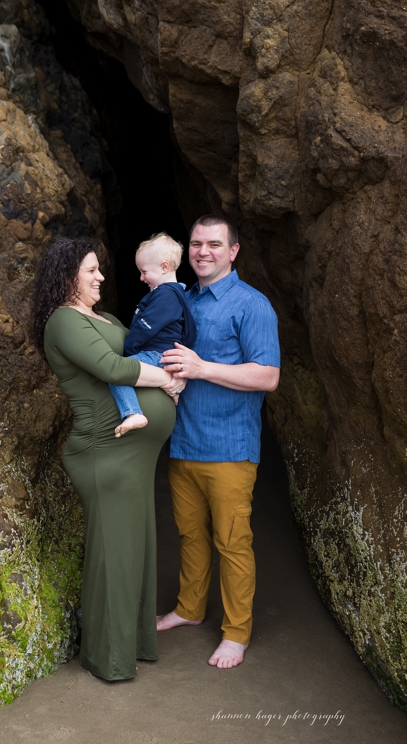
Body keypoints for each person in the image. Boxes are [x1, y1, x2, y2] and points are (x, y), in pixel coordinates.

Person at [28, 237, 182, 680]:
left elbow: (142, 356)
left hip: (132, 456)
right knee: (114, 555)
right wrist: (165, 383)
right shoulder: (63, 322)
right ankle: (107, 659)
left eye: (100, 270)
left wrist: (173, 376)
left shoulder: (107, 318)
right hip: (105, 451)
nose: (101, 277)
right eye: (91, 270)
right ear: (67, 275)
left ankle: (133, 644)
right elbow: (114, 370)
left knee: (136, 549)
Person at [156, 214, 280, 670]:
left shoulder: (252, 305)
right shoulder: (181, 297)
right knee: (190, 535)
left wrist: (203, 367)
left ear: (233, 251)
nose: (202, 251)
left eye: (213, 244)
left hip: (230, 447)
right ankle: (189, 609)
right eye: (195, 244)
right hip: (183, 443)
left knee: (232, 542)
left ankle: (236, 633)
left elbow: (268, 375)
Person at [109, 232, 195, 437]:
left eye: (144, 271)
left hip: (155, 354)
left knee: (117, 374)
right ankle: (171, 391)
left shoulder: (165, 295)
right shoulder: (179, 295)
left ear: (164, 267)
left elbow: (145, 327)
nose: (141, 278)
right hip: (164, 356)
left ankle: (132, 413)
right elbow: (190, 332)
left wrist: (129, 349)